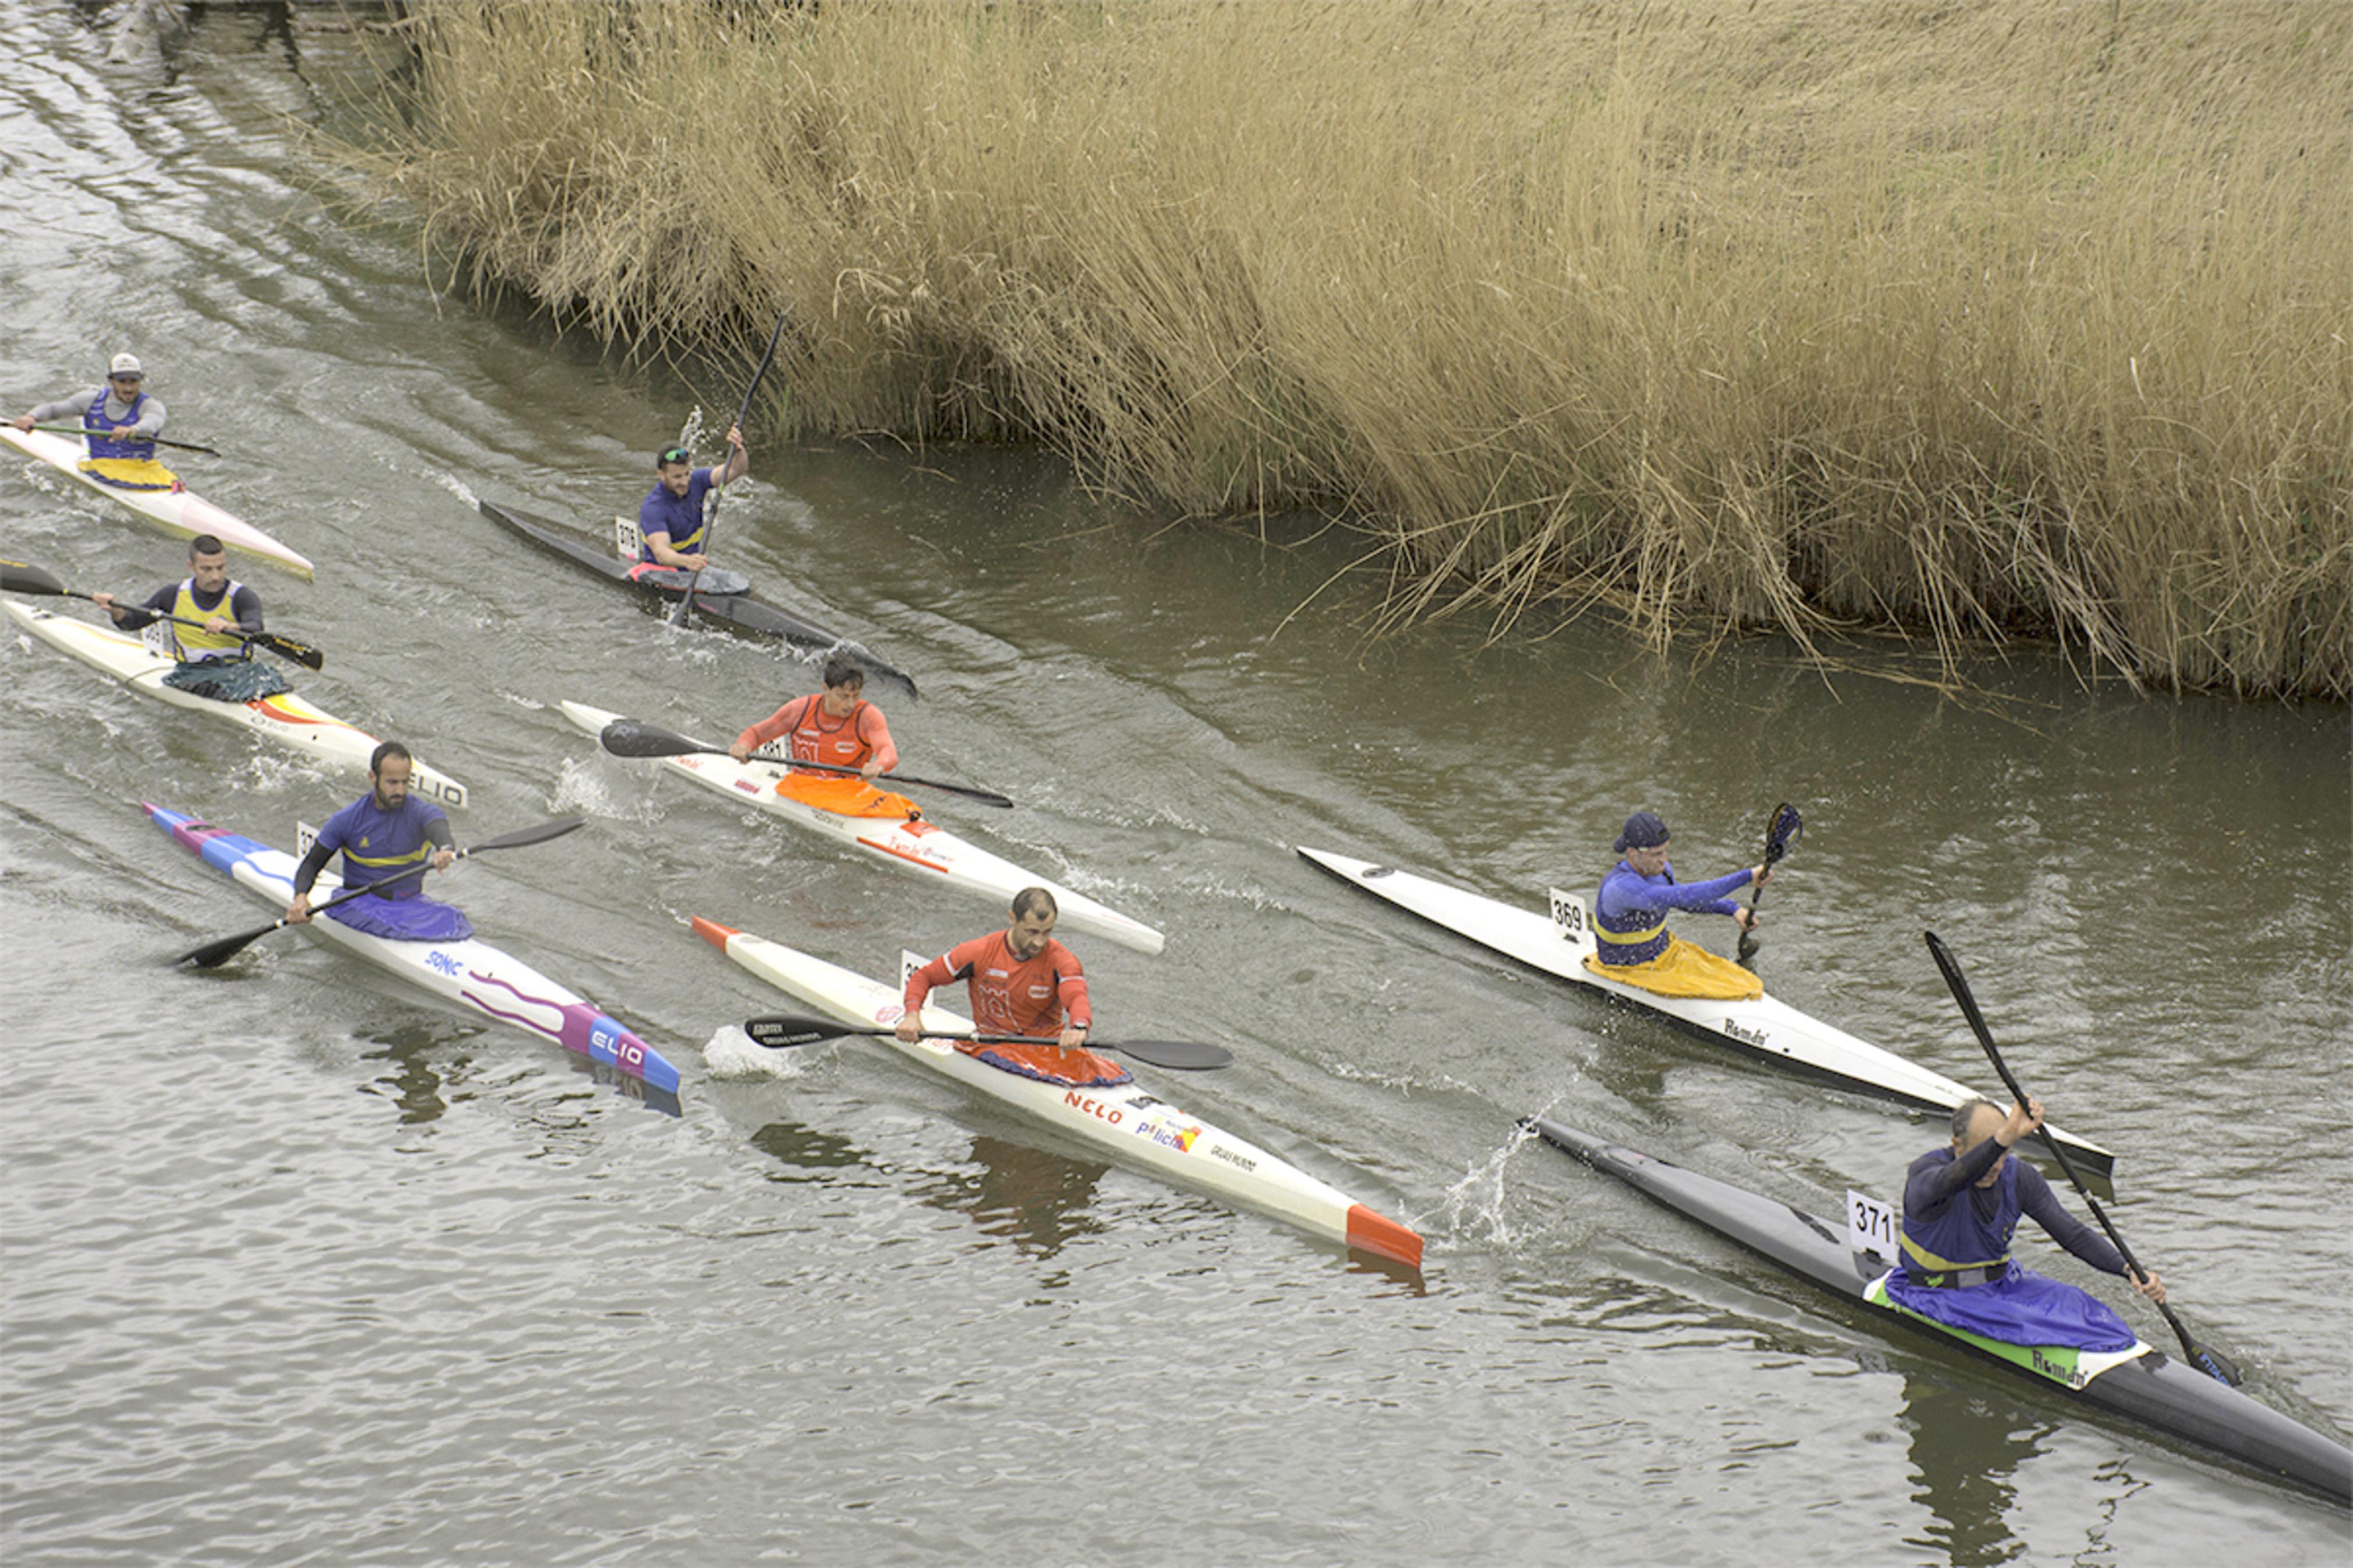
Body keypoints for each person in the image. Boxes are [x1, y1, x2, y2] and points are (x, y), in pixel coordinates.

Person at [1883, 1096, 2165, 1352]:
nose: (1996, 1165)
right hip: (1937, 1293)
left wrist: (2127, 1268)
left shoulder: (2020, 1178)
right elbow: (1954, 1178)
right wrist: (2003, 1138)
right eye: (1990, 1153)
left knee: (2089, 1311)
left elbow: (2073, 1234)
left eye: (2005, 1153)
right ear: (1957, 1146)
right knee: (2025, 1323)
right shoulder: (1926, 1174)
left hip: (2002, 1286)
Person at [896, 888, 1126, 1088]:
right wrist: (912, 1016)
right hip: (994, 1042)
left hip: (1045, 1045)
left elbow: (1076, 996)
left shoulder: (1062, 960)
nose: (1039, 942)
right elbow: (923, 977)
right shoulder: (978, 952)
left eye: (1047, 932)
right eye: (1032, 932)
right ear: (1012, 919)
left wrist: (1079, 1027)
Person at [283, 742, 472, 942]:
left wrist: (445, 850)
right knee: (396, 925)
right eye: (392, 782)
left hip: (409, 904)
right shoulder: (347, 820)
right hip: (358, 902)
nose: (400, 790)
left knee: (455, 918)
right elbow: (312, 864)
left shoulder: (421, 812)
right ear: (373, 778)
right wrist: (301, 899)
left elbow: (439, 828)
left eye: (405, 782)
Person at [1587, 809, 1769, 1000]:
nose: (1664, 860)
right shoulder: (1620, 888)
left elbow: (1686, 903)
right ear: (1633, 853)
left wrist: (1732, 910)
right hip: (1625, 968)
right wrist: (1747, 876)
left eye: (1665, 851)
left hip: (1663, 955)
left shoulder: (1661, 871)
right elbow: (1686, 897)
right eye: (1657, 854)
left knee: (1741, 979)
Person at [88, 534, 286, 700]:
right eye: (207, 569)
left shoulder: (242, 596)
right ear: (191, 566)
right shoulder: (172, 594)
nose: (216, 576)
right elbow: (132, 621)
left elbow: (256, 628)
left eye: (221, 568)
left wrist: (229, 626)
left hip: (239, 672)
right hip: (192, 674)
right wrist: (114, 609)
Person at [12, 352, 172, 487]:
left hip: (143, 471)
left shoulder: (151, 406)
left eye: (134, 382)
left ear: (141, 380)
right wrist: (31, 417)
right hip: (102, 468)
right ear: (111, 381)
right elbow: (55, 410)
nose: (129, 388)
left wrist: (132, 430)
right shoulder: (90, 401)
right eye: (122, 382)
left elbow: (153, 423)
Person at [728, 653, 899, 778]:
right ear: (826, 689)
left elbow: (888, 752)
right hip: (800, 789)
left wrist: (878, 766)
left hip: (846, 793)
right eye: (843, 696)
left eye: (856, 695)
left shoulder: (868, 717)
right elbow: (757, 734)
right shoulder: (800, 710)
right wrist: (744, 746)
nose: (851, 704)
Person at [637, 424, 748, 571]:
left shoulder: (697, 481)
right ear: (661, 475)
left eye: (687, 474)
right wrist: (687, 561)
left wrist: (738, 449)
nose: (684, 482)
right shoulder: (653, 507)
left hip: (691, 568)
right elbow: (661, 554)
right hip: (661, 571)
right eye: (677, 477)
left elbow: (737, 469)